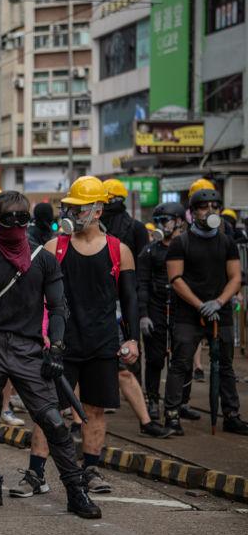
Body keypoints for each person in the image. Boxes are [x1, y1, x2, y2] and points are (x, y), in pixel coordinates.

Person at [0, 190, 100, 519]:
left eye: (21, 220)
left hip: (28, 348)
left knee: (53, 422)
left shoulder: (43, 259)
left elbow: (58, 307)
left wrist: (57, 349)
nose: (15, 226)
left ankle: (76, 491)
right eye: (8, 220)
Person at [23, 176, 139, 496]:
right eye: (69, 208)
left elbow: (129, 299)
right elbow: (36, 298)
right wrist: (41, 336)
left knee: (95, 410)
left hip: (102, 342)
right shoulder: (54, 247)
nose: (72, 214)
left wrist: (131, 340)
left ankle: (90, 470)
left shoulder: (119, 251)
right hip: (60, 342)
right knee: (47, 408)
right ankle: (35, 473)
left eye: (79, 208)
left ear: (98, 211)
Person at [165, 187, 248, 436]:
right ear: (193, 212)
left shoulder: (227, 242)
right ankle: (172, 414)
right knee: (180, 363)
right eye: (203, 207)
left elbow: (235, 277)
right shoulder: (181, 243)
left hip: (218, 313)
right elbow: (176, 279)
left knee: (225, 365)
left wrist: (219, 302)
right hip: (188, 313)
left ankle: (231, 414)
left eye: (214, 206)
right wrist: (199, 304)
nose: (210, 211)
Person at [138, 202, 188, 423]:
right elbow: (142, 283)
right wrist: (143, 314)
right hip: (156, 309)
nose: (161, 225)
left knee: (181, 360)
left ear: (179, 221)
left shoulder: (187, 247)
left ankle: (180, 404)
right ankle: (152, 400)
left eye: (164, 220)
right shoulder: (149, 251)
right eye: (157, 221)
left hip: (182, 310)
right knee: (155, 359)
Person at [101, 179, 149, 257]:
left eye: (108, 200)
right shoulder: (95, 225)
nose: (104, 205)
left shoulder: (137, 228)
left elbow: (143, 262)